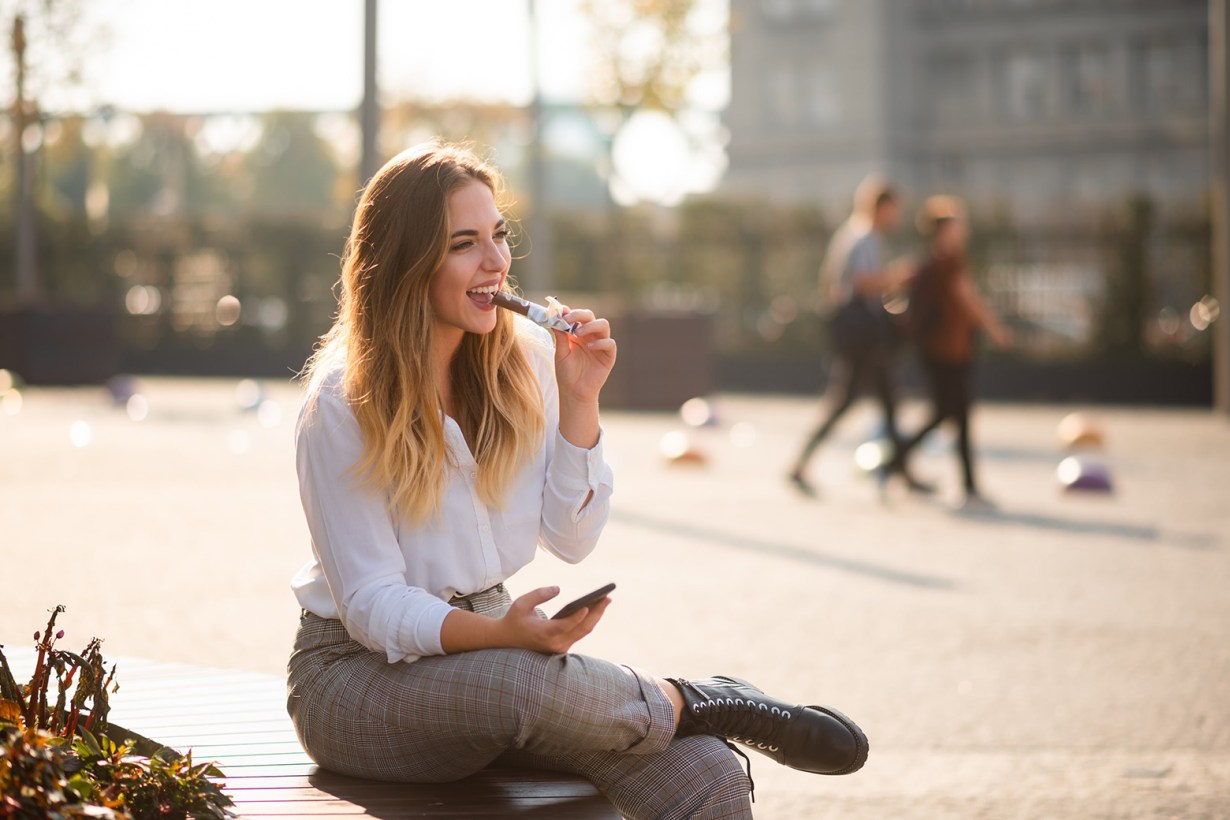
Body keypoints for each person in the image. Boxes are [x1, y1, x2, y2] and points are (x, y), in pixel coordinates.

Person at [286, 142, 867, 819]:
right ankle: (707, 699)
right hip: (356, 678)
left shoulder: (527, 362)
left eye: (499, 236)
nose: (497, 262)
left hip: (496, 649)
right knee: (521, 686)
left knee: (703, 767)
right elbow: (373, 605)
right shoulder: (340, 402)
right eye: (464, 244)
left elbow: (573, 537)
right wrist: (502, 636)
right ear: (406, 264)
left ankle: (695, 712)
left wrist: (580, 402)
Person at [788, 176, 925, 498]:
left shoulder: (852, 235)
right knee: (849, 400)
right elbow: (863, 282)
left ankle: (902, 469)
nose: (896, 217)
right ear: (880, 207)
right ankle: (799, 464)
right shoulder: (864, 237)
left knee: (888, 400)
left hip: (862, 334)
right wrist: (896, 278)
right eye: (894, 209)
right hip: (864, 336)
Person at [888, 195, 1011, 509]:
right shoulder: (949, 262)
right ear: (944, 229)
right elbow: (969, 301)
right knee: (954, 415)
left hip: (938, 349)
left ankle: (899, 460)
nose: (964, 228)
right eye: (958, 223)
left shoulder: (929, 261)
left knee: (948, 414)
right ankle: (965, 486)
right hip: (949, 351)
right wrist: (996, 329)